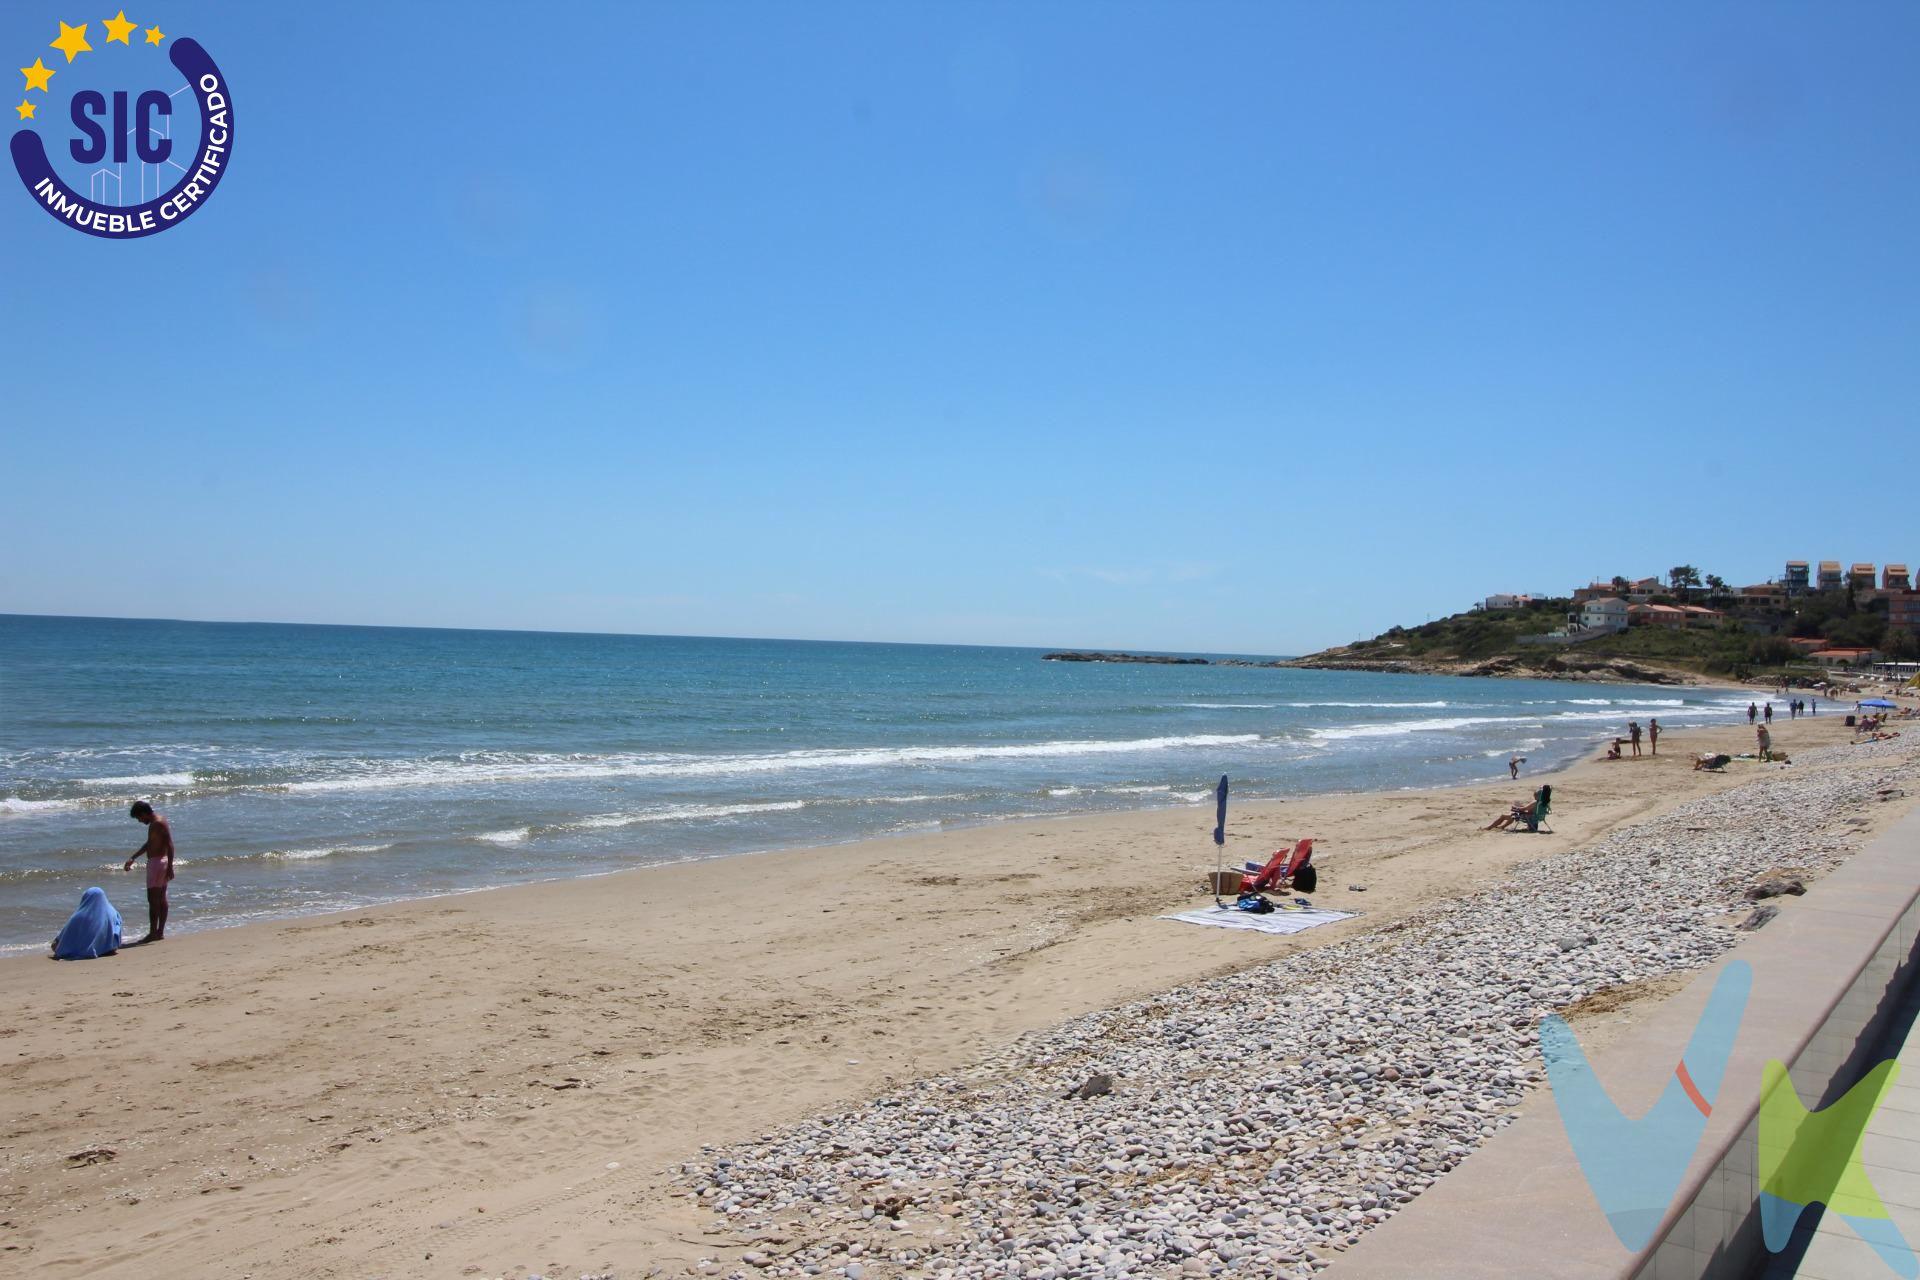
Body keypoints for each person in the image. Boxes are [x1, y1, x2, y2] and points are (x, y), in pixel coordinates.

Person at [123, 800, 174, 943]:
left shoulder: (157, 823)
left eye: (139, 818)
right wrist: (134, 857)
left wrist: (170, 866)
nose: (140, 821)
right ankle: (159, 932)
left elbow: (170, 844)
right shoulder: (157, 822)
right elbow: (150, 843)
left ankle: (154, 933)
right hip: (160, 862)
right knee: (161, 898)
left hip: (157, 863)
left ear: (144, 813)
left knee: (153, 899)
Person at [50, 886, 122, 960]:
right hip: (110, 948)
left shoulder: (79, 916)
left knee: (56, 944)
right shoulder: (114, 912)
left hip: (86, 950)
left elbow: (65, 936)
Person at [1487, 784, 1551, 830]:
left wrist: (1515, 807)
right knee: (1513, 815)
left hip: (1530, 817)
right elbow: (1529, 809)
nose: (1535, 796)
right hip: (1537, 817)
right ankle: (1502, 826)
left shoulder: (1536, 802)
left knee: (1503, 816)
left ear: (1539, 795)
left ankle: (1489, 827)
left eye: (1536, 795)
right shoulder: (1546, 802)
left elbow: (1524, 809)